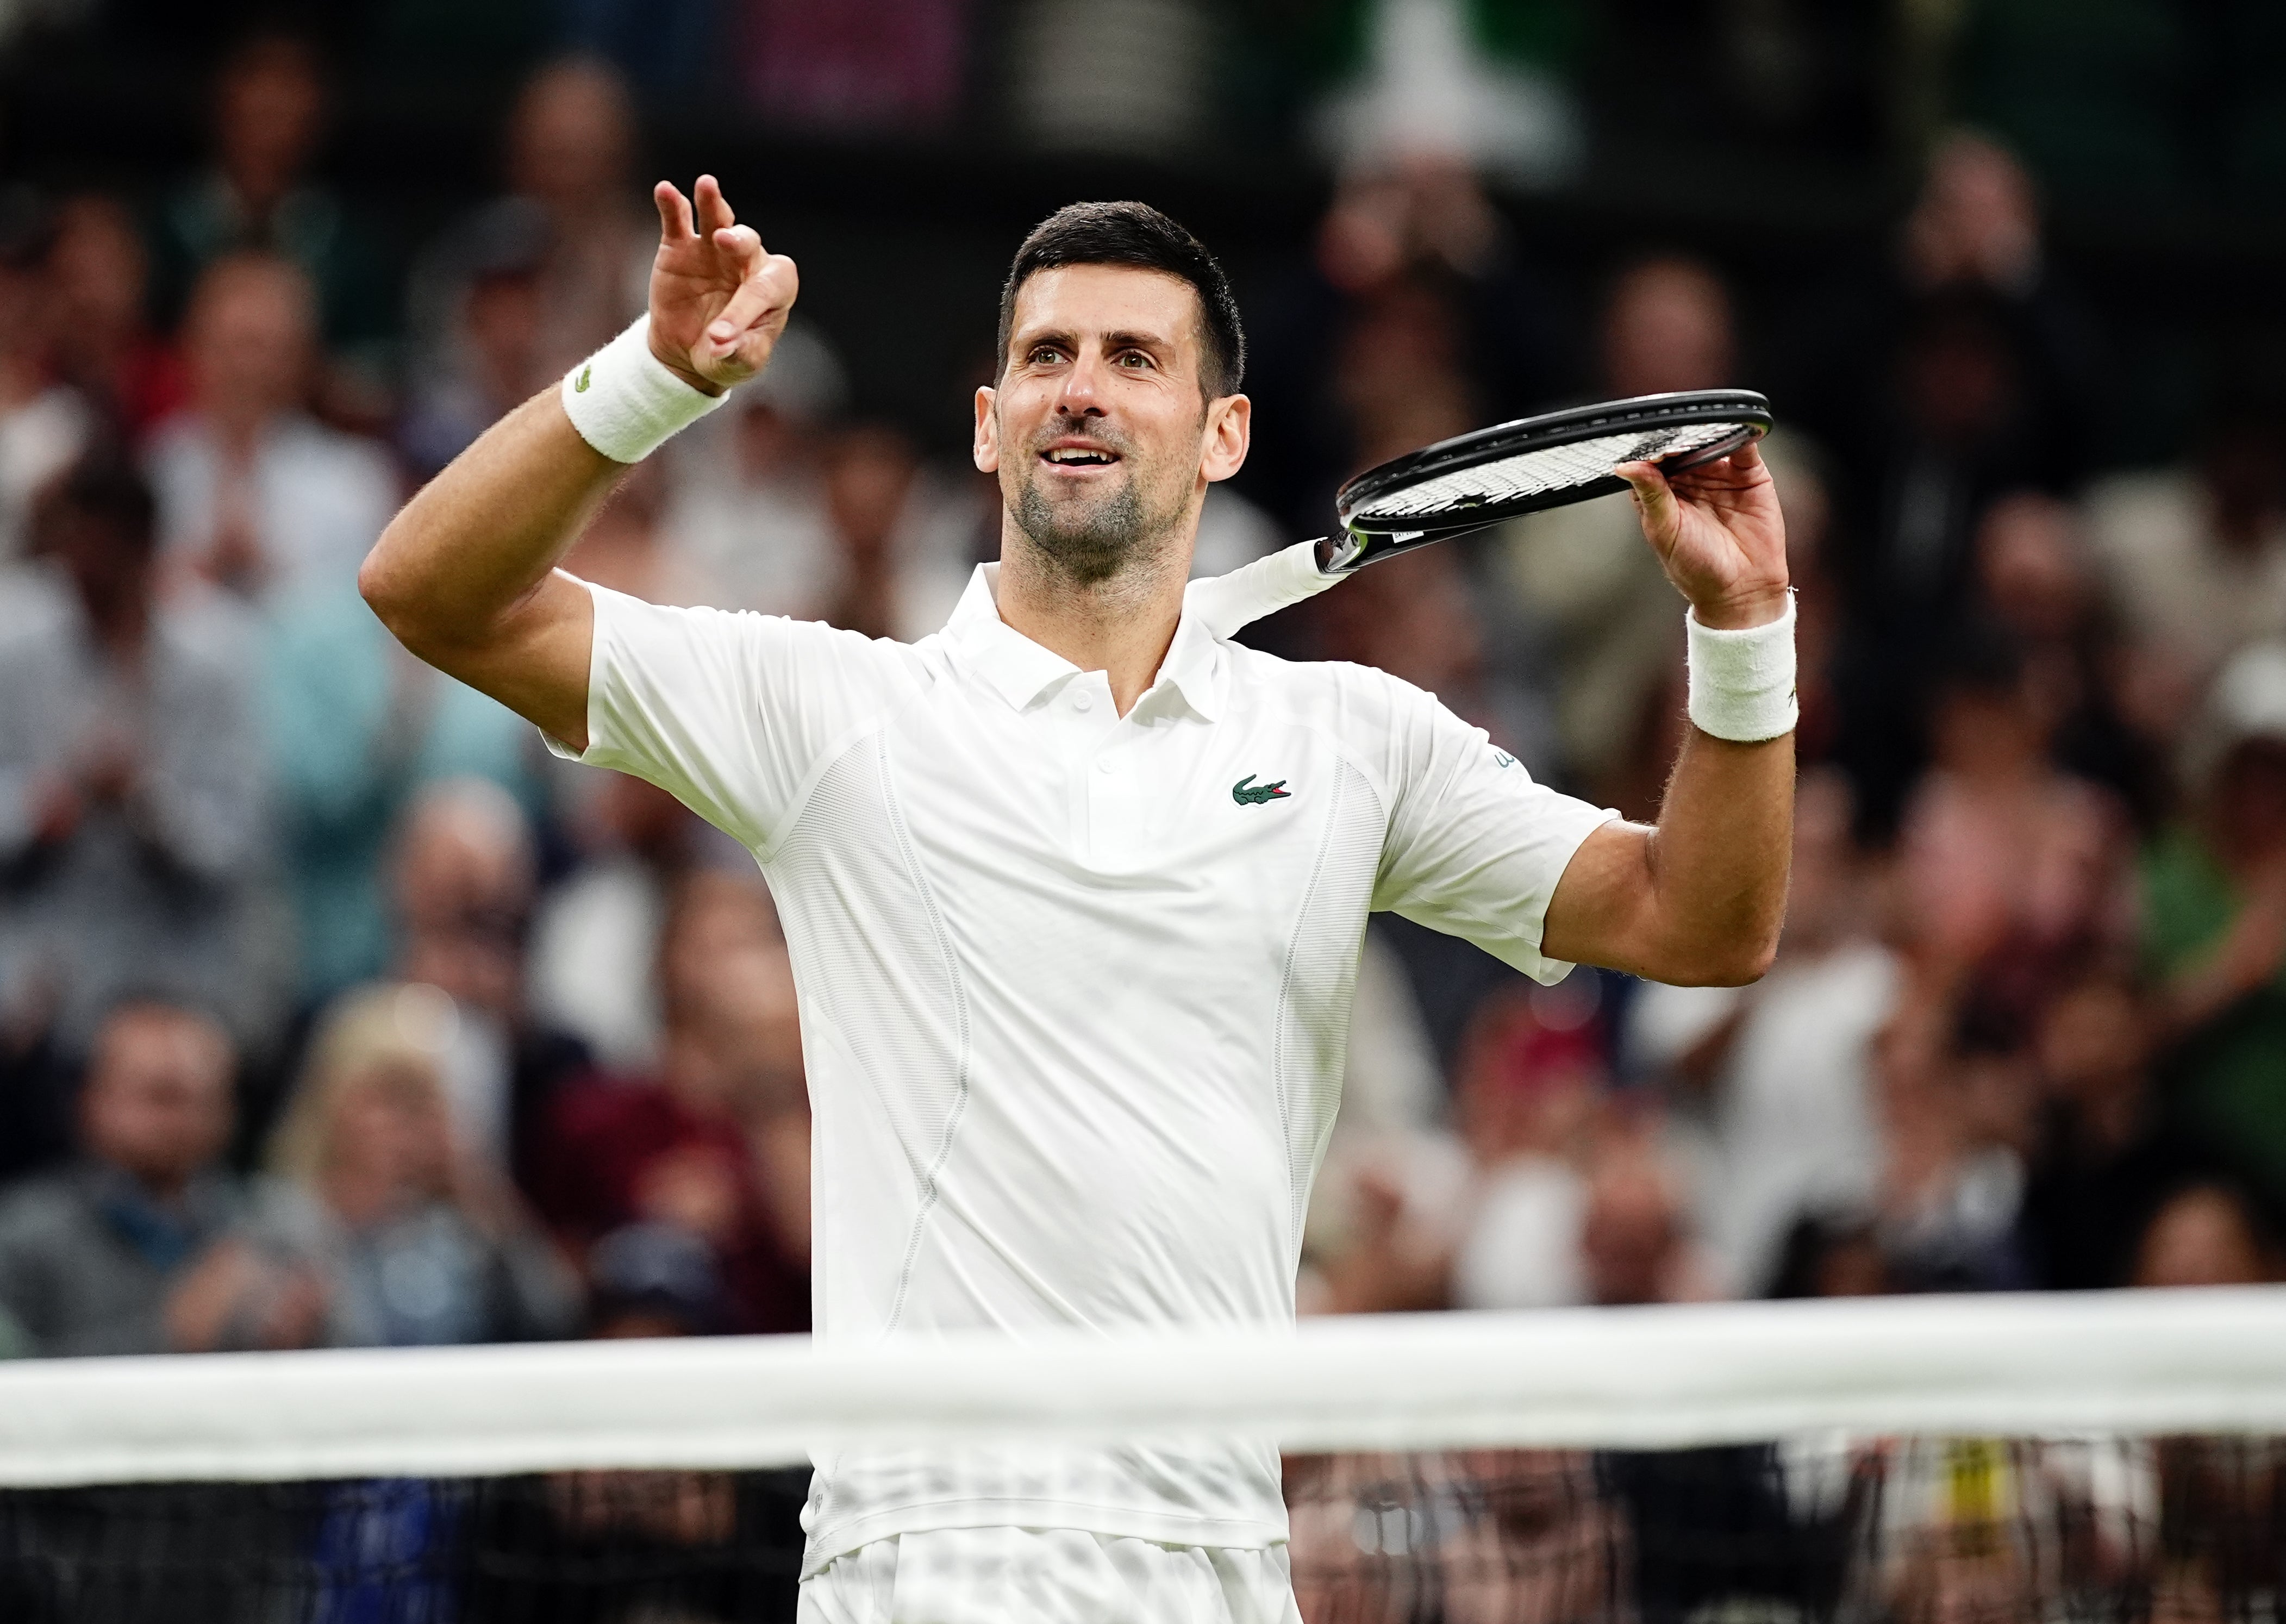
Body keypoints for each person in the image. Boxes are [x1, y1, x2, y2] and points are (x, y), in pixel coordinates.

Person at [358, 177, 1795, 1620]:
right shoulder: (836, 713)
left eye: (1134, 358)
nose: (1080, 391)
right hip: (928, 1563)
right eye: (1044, 356)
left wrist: (1741, 632)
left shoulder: (1351, 741)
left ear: (1222, 432)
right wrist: (653, 378)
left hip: (1219, 1570)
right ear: (988, 427)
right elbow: (432, 592)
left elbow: (1698, 921)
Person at [0, 453, 278, 1059]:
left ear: (144, 549)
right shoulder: (14, 651)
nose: (82, 569)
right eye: (71, 547)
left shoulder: (217, 662)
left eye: (102, 551)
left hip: (178, 989)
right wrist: (41, 811)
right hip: (38, 1001)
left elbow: (240, 840)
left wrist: (144, 802)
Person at [257, 982, 578, 1347]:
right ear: (334, 1105)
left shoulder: (463, 1228)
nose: (405, 1124)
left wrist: (482, 1196)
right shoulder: (281, 1220)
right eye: (387, 1098)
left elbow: (557, 1319)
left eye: (423, 1103)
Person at [0, 1001, 323, 1356]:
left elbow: (359, 1351)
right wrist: (171, 1332)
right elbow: (16, 1375)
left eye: (207, 1097)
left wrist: (309, 1332)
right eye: (162, 1097)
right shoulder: (25, 1236)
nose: (184, 1119)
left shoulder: (276, 1224)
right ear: (92, 1101)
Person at [145, 252, 398, 607]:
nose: (245, 367)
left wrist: (270, 569)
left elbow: (363, 618)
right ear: (191, 347)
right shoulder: (150, 469)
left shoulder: (353, 481)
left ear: (302, 358)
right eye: (230, 345)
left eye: (264, 348)